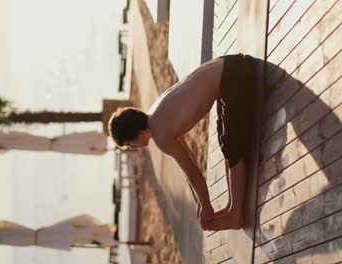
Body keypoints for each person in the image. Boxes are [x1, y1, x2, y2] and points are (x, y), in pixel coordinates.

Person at [108, 53, 257, 231]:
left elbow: (193, 173)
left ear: (134, 134)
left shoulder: (160, 135)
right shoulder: (156, 113)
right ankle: (232, 206)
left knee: (232, 147)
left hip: (236, 78)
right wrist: (202, 202)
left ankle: (235, 215)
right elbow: (189, 160)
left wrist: (206, 205)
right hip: (233, 66)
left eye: (128, 143)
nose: (132, 147)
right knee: (226, 140)